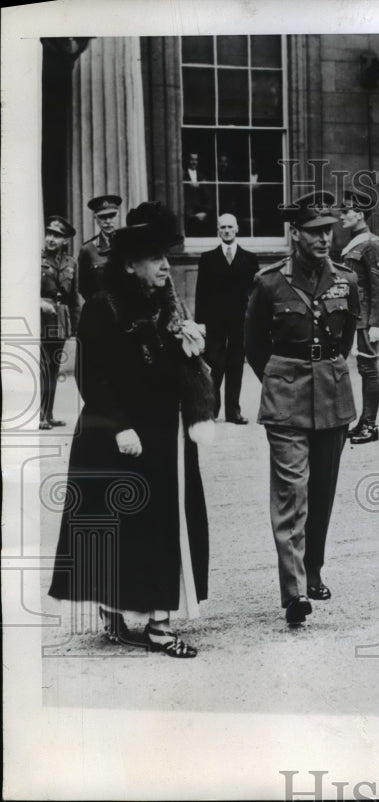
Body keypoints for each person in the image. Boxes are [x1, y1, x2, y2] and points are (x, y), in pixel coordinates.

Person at [48, 201, 215, 657]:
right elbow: (92, 376)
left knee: (163, 525)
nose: (166, 266)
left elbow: (174, 371)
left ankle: (160, 623)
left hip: (164, 434)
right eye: (155, 259)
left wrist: (190, 351)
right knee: (118, 526)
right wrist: (120, 426)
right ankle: (116, 611)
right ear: (129, 265)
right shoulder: (102, 309)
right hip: (115, 435)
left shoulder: (168, 305)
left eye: (166, 257)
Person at [245, 191, 359, 625]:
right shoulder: (270, 281)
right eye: (314, 232)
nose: (324, 239)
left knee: (323, 489)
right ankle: (294, 592)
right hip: (287, 396)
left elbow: (345, 338)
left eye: (328, 230)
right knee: (292, 490)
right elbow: (253, 344)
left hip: (331, 394)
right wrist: (281, 379)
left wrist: (323, 370)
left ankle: (313, 569)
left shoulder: (345, 279)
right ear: (296, 234)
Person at [195, 213, 260, 423]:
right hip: (214, 322)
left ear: (237, 229)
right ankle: (211, 410)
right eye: (222, 227)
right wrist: (200, 323)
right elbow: (200, 293)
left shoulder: (249, 258)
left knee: (236, 366)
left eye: (230, 227)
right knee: (215, 365)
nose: (226, 231)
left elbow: (256, 293)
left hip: (240, 322)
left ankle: (233, 412)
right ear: (218, 231)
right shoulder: (207, 259)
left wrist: (255, 320)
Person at [339, 191, 379, 444]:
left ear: (360, 214)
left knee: (369, 369)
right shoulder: (355, 243)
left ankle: (371, 425)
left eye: (347, 211)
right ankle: (363, 421)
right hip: (354, 318)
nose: (342, 215)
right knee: (363, 369)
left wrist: (376, 324)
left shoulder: (371, 244)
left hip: (366, 319)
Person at [40, 215, 82, 430]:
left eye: (56, 236)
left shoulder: (71, 262)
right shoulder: (36, 258)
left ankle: (49, 413)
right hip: (42, 318)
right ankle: (39, 415)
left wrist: (74, 327)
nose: (51, 239)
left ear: (65, 240)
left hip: (61, 319)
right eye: (49, 234)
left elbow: (74, 297)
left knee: (54, 367)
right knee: (43, 366)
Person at [77, 194, 121, 301]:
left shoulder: (128, 244)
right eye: (103, 217)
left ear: (118, 215)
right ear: (95, 218)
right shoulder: (88, 249)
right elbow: (84, 288)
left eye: (112, 215)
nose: (108, 221)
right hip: (100, 310)